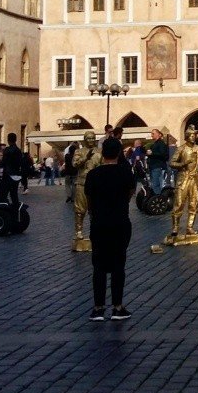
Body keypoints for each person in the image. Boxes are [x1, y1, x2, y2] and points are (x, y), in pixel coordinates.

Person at [84, 136, 135, 321]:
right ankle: (117, 307)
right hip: (120, 223)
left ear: (102, 153)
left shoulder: (93, 175)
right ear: (119, 153)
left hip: (99, 224)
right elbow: (130, 194)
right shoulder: (126, 173)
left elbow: (88, 200)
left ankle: (98, 308)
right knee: (118, 265)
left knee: (98, 266)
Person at [147, 128, 169, 195]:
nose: (151, 135)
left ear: (159, 135)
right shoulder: (154, 144)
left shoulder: (161, 143)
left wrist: (152, 153)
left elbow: (163, 155)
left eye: (153, 134)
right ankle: (156, 198)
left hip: (158, 166)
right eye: (151, 134)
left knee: (156, 185)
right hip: (153, 166)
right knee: (154, 184)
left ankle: (159, 200)